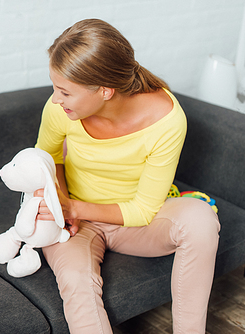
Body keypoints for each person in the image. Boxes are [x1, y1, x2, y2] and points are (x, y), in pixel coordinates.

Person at [34, 19, 220, 334]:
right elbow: (46, 158)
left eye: (64, 91)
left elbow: (143, 210)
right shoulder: (60, 110)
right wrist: (59, 204)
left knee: (201, 220)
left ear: (105, 90)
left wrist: (73, 207)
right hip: (75, 225)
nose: (55, 99)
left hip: (137, 224)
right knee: (76, 280)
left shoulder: (167, 121)